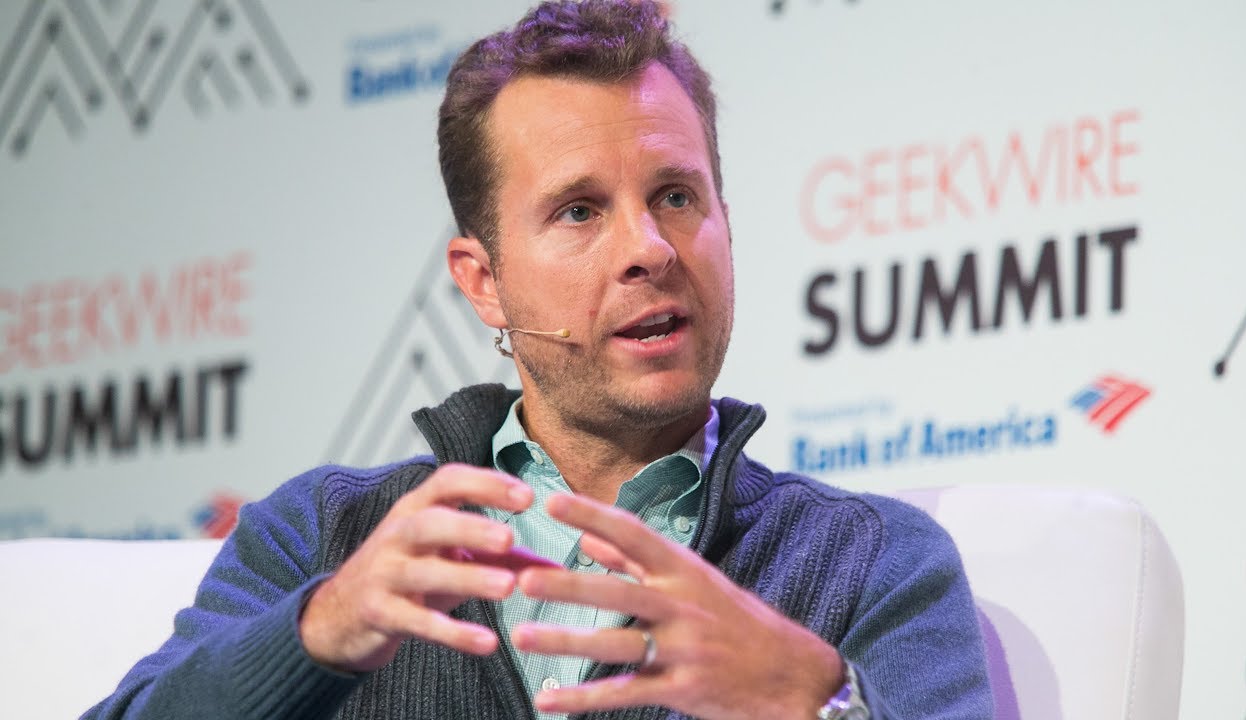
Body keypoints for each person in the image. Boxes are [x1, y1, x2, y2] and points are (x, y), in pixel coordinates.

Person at [85, 2, 993, 718]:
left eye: (677, 195)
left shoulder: (869, 563)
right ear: (484, 284)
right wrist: (318, 633)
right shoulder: (323, 536)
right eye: (579, 211)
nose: (651, 249)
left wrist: (815, 704)